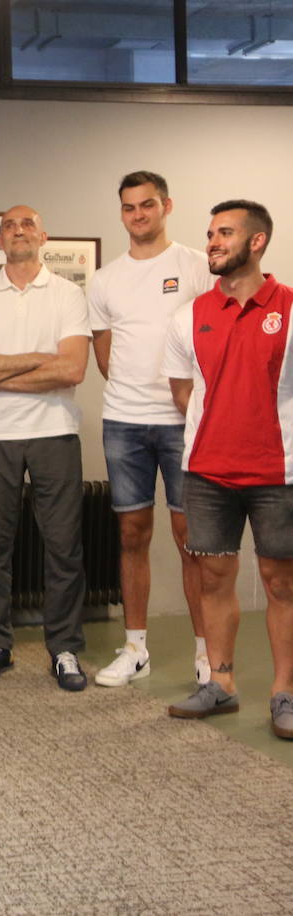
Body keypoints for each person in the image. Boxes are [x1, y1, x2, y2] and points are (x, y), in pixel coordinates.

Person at [163, 199, 293, 740]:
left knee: (281, 582)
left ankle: (285, 693)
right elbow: (180, 390)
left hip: (277, 474)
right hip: (208, 472)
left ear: (257, 241)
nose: (213, 242)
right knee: (214, 577)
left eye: (225, 233)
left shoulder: (288, 307)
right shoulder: (189, 315)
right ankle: (220, 683)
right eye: (210, 233)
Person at [0, 205, 92, 691]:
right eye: (10, 226)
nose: (19, 231)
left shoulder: (68, 294)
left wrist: (0, 369)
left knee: (63, 548)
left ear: (43, 235)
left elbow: (72, 369)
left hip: (55, 431)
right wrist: (39, 361)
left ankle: (66, 649)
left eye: (27, 224)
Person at [89, 171, 211, 688]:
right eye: (128, 207)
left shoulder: (197, 267)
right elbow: (103, 353)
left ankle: (209, 654)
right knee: (132, 535)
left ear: (166, 206)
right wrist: (132, 392)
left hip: (185, 424)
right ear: (121, 213)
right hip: (123, 423)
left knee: (194, 542)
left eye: (146, 205)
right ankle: (135, 647)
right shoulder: (104, 279)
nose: (137, 215)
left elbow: (215, 339)